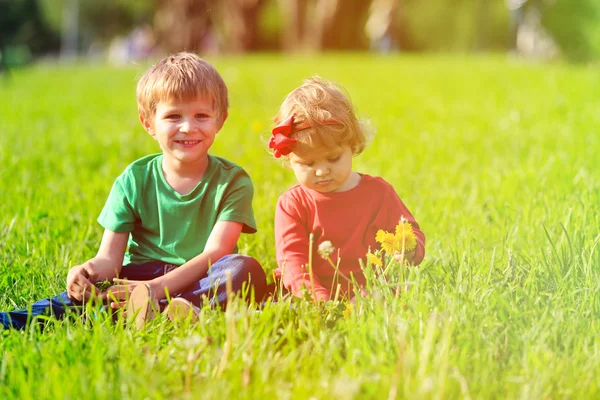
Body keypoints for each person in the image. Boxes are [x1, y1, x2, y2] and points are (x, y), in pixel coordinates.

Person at [1, 52, 267, 330]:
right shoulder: (133, 179)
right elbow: (109, 260)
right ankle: (10, 322)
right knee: (64, 304)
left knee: (244, 270)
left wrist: (156, 289)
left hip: (200, 277)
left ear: (220, 120)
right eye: (173, 116)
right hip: (137, 278)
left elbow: (216, 253)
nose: (188, 127)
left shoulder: (233, 181)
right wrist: (85, 272)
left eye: (201, 115)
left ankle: (174, 308)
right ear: (148, 123)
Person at [270, 76, 425, 301]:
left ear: (352, 146)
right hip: (312, 295)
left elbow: (411, 232)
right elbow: (293, 262)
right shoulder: (293, 205)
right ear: (289, 160)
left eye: (333, 158)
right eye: (307, 163)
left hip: (371, 293)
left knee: (391, 298)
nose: (322, 171)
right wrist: (321, 301)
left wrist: (410, 249)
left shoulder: (378, 194)